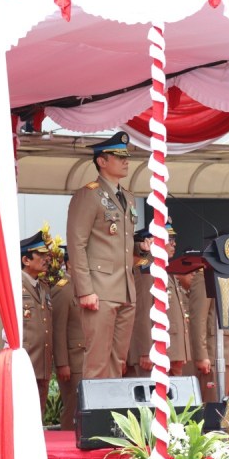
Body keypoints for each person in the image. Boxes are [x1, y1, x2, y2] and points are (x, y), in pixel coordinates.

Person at [66, 131, 137, 380]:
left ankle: (114, 418)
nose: (126, 161)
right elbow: (76, 244)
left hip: (126, 288)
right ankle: (93, 418)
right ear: (102, 161)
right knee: (97, 361)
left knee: (117, 361)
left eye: (126, 156)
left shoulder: (128, 197)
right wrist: (85, 289)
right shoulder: (89, 194)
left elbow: (125, 244)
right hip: (100, 288)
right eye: (119, 157)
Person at [190, 225, 229, 411]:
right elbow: (198, 318)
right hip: (218, 354)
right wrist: (202, 355)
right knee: (215, 409)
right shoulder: (207, 275)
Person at [0, 231, 56, 417]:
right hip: (22, 364)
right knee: (20, 417)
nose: (46, 259)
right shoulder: (10, 286)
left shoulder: (42, 287)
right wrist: (4, 365)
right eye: (41, 255)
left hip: (41, 363)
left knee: (37, 416)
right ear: (26, 260)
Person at [130, 219, 191, 381]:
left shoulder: (165, 268)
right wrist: (145, 350)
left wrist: (182, 348)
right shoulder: (147, 267)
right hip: (155, 350)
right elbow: (143, 310)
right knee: (154, 400)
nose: (174, 244)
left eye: (174, 240)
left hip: (171, 349)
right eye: (169, 240)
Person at [51, 246, 84, 430]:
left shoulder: (83, 286)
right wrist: (62, 363)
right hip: (73, 360)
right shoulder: (63, 289)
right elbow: (58, 329)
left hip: (86, 357)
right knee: (72, 408)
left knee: (84, 409)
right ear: (69, 263)